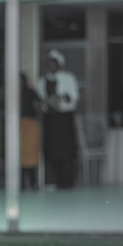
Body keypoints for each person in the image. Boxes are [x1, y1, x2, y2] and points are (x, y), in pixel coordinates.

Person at [41, 49, 79, 189]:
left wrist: (60, 99)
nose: (51, 66)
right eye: (49, 63)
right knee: (52, 151)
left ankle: (68, 181)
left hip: (64, 119)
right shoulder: (43, 80)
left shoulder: (68, 78)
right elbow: (40, 101)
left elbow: (73, 98)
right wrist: (47, 103)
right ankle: (56, 180)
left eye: (54, 63)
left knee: (67, 151)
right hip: (51, 119)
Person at [20, 72, 43, 190]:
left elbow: (37, 108)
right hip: (18, 126)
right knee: (20, 155)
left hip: (31, 124)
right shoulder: (12, 92)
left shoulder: (31, 92)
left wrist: (39, 122)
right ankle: (21, 184)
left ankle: (33, 183)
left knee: (32, 155)